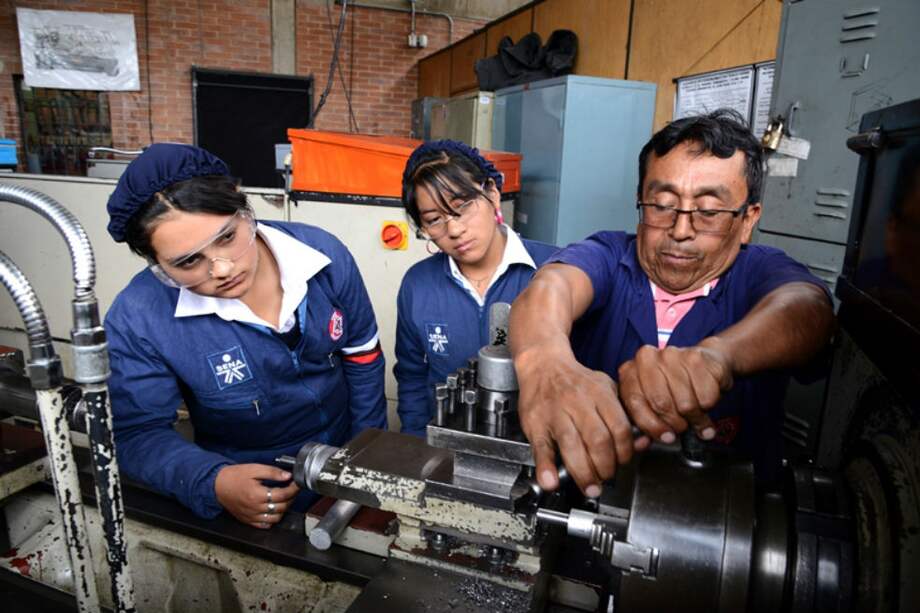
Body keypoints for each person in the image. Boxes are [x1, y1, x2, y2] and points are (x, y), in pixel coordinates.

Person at [509, 109, 835, 497]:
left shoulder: (757, 272)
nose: (681, 230)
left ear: (748, 220)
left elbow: (807, 308)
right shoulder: (611, 256)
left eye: (710, 211)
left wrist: (719, 357)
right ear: (640, 203)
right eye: (662, 205)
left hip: (728, 520)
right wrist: (544, 361)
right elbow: (552, 286)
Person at [104, 144, 387, 528]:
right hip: (251, 489)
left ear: (243, 205)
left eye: (227, 237)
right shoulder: (140, 317)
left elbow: (363, 358)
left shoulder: (322, 254)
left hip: (344, 455)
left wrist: (364, 454)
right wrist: (214, 481)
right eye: (189, 262)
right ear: (157, 265)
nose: (221, 269)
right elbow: (136, 434)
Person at [395, 140, 556, 435]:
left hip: (536, 452)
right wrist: (417, 447)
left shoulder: (554, 270)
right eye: (434, 220)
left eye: (462, 208)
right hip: (447, 448)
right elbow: (411, 378)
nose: (454, 230)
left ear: (492, 194)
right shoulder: (417, 286)